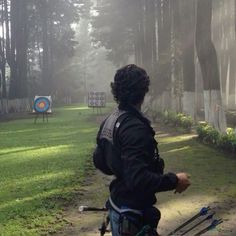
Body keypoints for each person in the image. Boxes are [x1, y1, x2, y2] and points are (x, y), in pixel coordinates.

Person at [93, 64, 191, 236]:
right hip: (131, 215)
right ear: (144, 91)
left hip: (118, 205)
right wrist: (175, 180)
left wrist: (122, 170)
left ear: (116, 90)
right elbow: (138, 179)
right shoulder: (135, 128)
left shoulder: (111, 119)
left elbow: (99, 160)